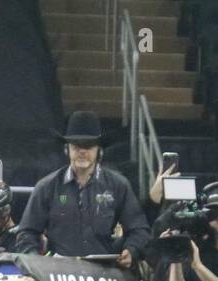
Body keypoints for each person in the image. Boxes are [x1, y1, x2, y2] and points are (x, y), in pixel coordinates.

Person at [15, 110, 150, 267]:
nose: (82, 151)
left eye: (89, 145)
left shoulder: (118, 185)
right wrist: (36, 264)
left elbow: (140, 230)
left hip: (104, 275)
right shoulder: (46, 187)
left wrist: (131, 250)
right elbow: (26, 234)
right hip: (57, 274)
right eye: (77, 145)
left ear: (99, 149)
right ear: (67, 148)